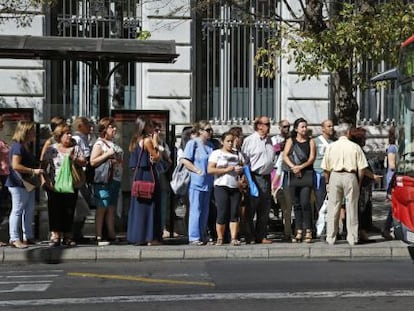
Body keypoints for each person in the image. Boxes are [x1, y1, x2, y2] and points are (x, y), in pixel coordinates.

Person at [321, 123, 369, 246]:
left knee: (333, 207)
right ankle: (352, 237)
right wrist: (358, 180)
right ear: (348, 133)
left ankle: (330, 237)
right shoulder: (355, 147)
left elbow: (325, 168)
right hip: (350, 175)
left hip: (335, 175)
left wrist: (327, 182)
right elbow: (362, 167)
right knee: (352, 207)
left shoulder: (331, 147)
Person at [42, 124, 86, 247]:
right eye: (67, 133)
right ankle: (55, 235)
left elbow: (84, 162)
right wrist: (45, 181)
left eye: (70, 133)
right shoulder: (52, 149)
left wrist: (74, 159)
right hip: (54, 185)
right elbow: (43, 165)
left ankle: (68, 235)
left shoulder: (75, 148)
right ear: (59, 136)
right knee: (55, 210)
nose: (70, 135)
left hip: (71, 185)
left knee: (69, 210)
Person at [6, 121, 43, 249]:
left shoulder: (25, 146)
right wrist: (33, 171)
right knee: (18, 210)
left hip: (27, 183)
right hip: (18, 183)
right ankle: (14, 238)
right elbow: (15, 165)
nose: (34, 133)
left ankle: (28, 236)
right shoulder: (18, 146)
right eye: (32, 131)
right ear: (25, 132)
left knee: (29, 210)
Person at [127, 116, 162, 246]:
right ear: (145, 127)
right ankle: (151, 237)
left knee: (139, 207)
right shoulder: (147, 140)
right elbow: (156, 157)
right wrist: (156, 142)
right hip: (148, 175)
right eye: (150, 126)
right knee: (151, 206)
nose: (153, 128)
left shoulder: (135, 141)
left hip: (138, 177)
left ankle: (138, 236)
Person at [90, 117, 123, 246]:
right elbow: (93, 161)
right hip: (104, 179)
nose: (114, 129)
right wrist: (107, 154)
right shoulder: (99, 144)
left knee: (111, 207)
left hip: (115, 178)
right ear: (104, 129)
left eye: (115, 126)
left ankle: (111, 234)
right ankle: (98, 235)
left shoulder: (113, 142)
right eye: (111, 127)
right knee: (102, 206)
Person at [241, 116, 275, 244]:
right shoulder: (250, 140)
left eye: (269, 124)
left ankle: (261, 235)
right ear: (259, 125)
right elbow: (244, 160)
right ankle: (249, 236)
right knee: (251, 207)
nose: (268, 126)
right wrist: (247, 179)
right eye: (266, 124)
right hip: (254, 176)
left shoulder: (270, 140)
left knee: (265, 208)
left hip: (267, 176)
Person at [181, 120, 214, 245]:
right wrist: (196, 170)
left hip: (208, 182)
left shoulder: (210, 145)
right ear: (200, 131)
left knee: (205, 210)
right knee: (196, 209)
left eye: (211, 130)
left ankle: (202, 235)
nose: (210, 132)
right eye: (208, 130)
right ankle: (194, 237)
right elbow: (185, 160)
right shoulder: (192, 143)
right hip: (196, 182)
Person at [283, 118, 316, 243]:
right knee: (296, 204)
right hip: (294, 174)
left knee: (305, 202)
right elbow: (285, 155)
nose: (304, 129)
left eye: (305, 126)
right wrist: (293, 167)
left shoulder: (311, 141)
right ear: (296, 129)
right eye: (302, 127)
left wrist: (300, 167)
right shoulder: (291, 141)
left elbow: (312, 158)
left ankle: (308, 230)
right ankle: (298, 230)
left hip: (306, 173)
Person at [207, 132, 244, 246]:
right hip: (221, 185)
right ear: (222, 142)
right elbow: (210, 170)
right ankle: (220, 237)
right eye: (228, 141)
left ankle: (233, 237)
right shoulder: (216, 153)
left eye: (232, 141)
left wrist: (240, 173)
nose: (230, 143)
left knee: (234, 213)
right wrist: (226, 170)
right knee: (222, 212)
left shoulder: (237, 153)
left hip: (235, 186)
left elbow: (243, 167)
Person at [349, 127, 382, 243]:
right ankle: (360, 232)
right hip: (360, 183)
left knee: (363, 207)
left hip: (363, 183)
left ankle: (363, 229)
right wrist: (373, 177)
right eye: (364, 137)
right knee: (359, 208)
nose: (365, 140)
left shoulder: (357, 148)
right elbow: (361, 167)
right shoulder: (356, 149)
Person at [71, 117, 93, 244]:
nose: (90, 127)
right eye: (87, 125)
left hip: (84, 177)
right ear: (80, 126)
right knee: (81, 206)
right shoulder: (78, 139)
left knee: (83, 206)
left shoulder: (84, 138)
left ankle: (78, 232)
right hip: (80, 177)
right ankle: (75, 233)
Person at [271, 120, 292, 241]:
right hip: (274, 173)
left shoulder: (291, 139)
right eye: (284, 127)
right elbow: (273, 153)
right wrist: (280, 147)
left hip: (285, 174)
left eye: (288, 127)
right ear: (279, 128)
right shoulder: (274, 139)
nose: (287, 129)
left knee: (286, 206)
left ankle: (287, 231)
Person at [313, 119, 334, 238]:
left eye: (332, 126)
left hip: (331, 175)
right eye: (329, 126)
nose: (331, 128)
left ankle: (328, 228)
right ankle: (319, 228)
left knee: (330, 203)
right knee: (320, 203)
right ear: (323, 128)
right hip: (318, 174)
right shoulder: (316, 141)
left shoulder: (334, 143)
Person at [382, 127, 397, 240]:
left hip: (397, 178)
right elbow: (392, 165)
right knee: (394, 206)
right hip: (394, 179)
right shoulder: (393, 148)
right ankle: (387, 229)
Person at [0, 115, 10, 246]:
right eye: (1, 122)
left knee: (2, 207)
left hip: (5, 175)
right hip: (1, 177)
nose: (2, 125)